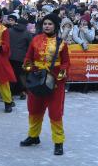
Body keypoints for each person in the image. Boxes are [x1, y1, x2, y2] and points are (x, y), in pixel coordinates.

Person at [21, 13, 69, 156]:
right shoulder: (35, 39)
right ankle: (33, 136)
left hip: (54, 82)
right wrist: (28, 67)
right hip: (37, 79)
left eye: (50, 24)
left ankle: (58, 142)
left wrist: (62, 74)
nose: (47, 26)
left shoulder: (62, 43)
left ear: (55, 26)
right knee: (34, 109)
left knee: (55, 112)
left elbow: (66, 62)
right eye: (45, 24)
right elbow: (28, 57)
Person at [9, 17, 32, 100]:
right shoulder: (27, 33)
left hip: (10, 57)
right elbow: (30, 46)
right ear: (26, 24)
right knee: (22, 75)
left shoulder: (9, 31)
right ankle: (23, 92)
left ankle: (9, 93)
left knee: (11, 75)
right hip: (21, 58)